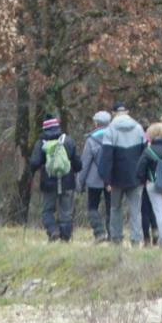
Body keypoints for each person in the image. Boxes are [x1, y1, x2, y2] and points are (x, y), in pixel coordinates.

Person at [98, 101, 147, 246]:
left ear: (113, 114)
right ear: (127, 112)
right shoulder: (139, 129)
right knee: (135, 210)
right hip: (136, 177)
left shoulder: (110, 130)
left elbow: (106, 158)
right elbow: (144, 154)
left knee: (115, 208)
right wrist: (143, 176)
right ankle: (136, 240)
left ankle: (117, 239)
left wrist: (107, 180)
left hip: (116, 178)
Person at [27, 115, 81, 242]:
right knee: (66, 212)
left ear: (44, 128)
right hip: (67, 182)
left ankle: (53, 231)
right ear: (57, 126)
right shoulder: (68, 141)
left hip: (48, 183)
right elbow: (78, 165)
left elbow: (34, 163)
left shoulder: (41, 143)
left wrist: (32, 169)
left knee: (47, 210)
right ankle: (65, 238)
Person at [77, 109, 112, 242]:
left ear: (96, 123)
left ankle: (99, 232)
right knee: (112, 207)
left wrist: (80, 182)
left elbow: (84, 164)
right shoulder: (115, 138)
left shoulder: (91, 140)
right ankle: (112, 234)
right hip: (111, 179)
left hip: (94, 180)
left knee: (92, 207)